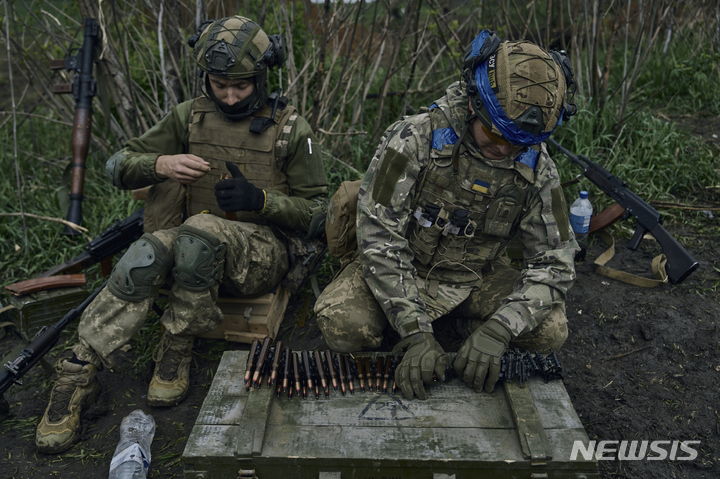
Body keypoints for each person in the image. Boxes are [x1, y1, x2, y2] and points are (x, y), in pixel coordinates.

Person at [36, 16, 329, 453]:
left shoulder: (290, 129)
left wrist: (261, 200)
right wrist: (161, 165)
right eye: (219, 84)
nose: (229, 96)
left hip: (262, 257)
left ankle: (177, 344)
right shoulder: (189, 116)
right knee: (144, 253)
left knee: (198, 230)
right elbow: (118, 164)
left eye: (242, 86)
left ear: (262, 77)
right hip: (196, 244)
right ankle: (78, 370)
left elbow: (320, 214)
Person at [315, 30, 578, 400]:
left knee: (551, 329)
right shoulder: (414, 138)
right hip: (404, 268)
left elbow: (556, 262)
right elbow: (378, 238)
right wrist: (414, 330)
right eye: (494, 133)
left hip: (476, 278)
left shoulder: (537, 168)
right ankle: (428, 333)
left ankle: (467, 332)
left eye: (519, 142)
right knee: (343, 325)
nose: (503, 149)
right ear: (474, 104)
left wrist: (500, 329)